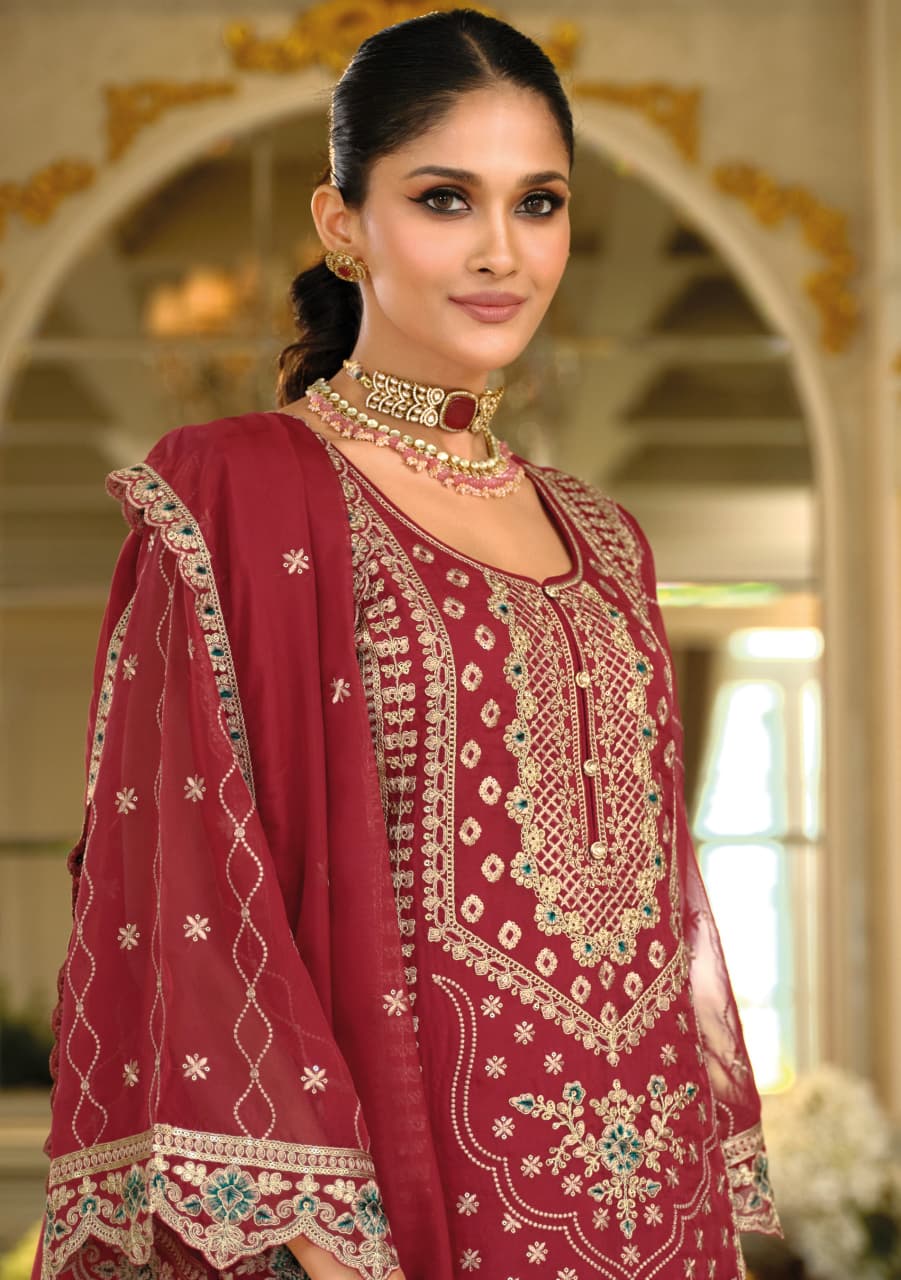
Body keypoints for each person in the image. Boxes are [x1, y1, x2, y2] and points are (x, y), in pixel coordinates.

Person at [31, 10, 782, 1280]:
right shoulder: (235, 490)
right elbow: (191, 897)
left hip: (654, 1218)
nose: (502, 252)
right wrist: (329, 1250)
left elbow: (660, 911)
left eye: (537, 203)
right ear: (341, 225)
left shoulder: (607, 535)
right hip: (395, 1213)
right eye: (445, 199)